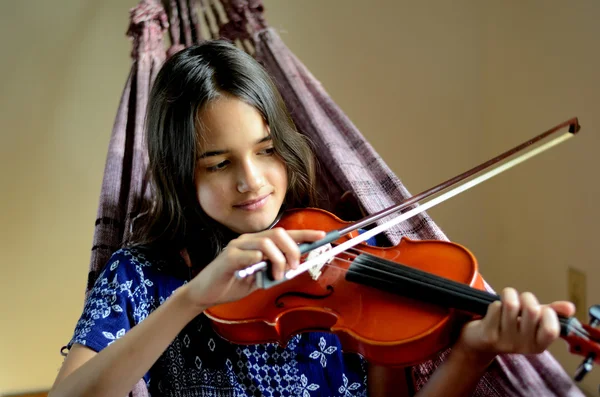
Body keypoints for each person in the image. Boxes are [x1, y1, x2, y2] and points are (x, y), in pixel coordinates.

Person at [49, 40, 575, 397]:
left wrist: (475, 351)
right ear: (178, 174)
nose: (252, 181)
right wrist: (191, 298)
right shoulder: (139, 275)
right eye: (219, 163)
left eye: (267, 150)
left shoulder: (340, 252)